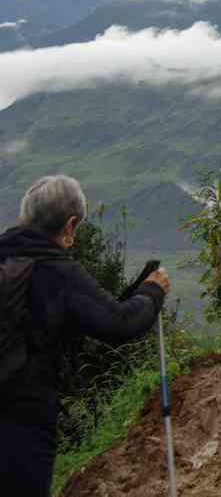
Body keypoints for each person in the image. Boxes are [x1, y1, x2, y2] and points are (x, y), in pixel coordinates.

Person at [0, 175, 170, 497]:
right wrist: (152, 292)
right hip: (23, 421)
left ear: (25, 216)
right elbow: (119, 324)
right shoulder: (59, 273)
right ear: (70, 224)